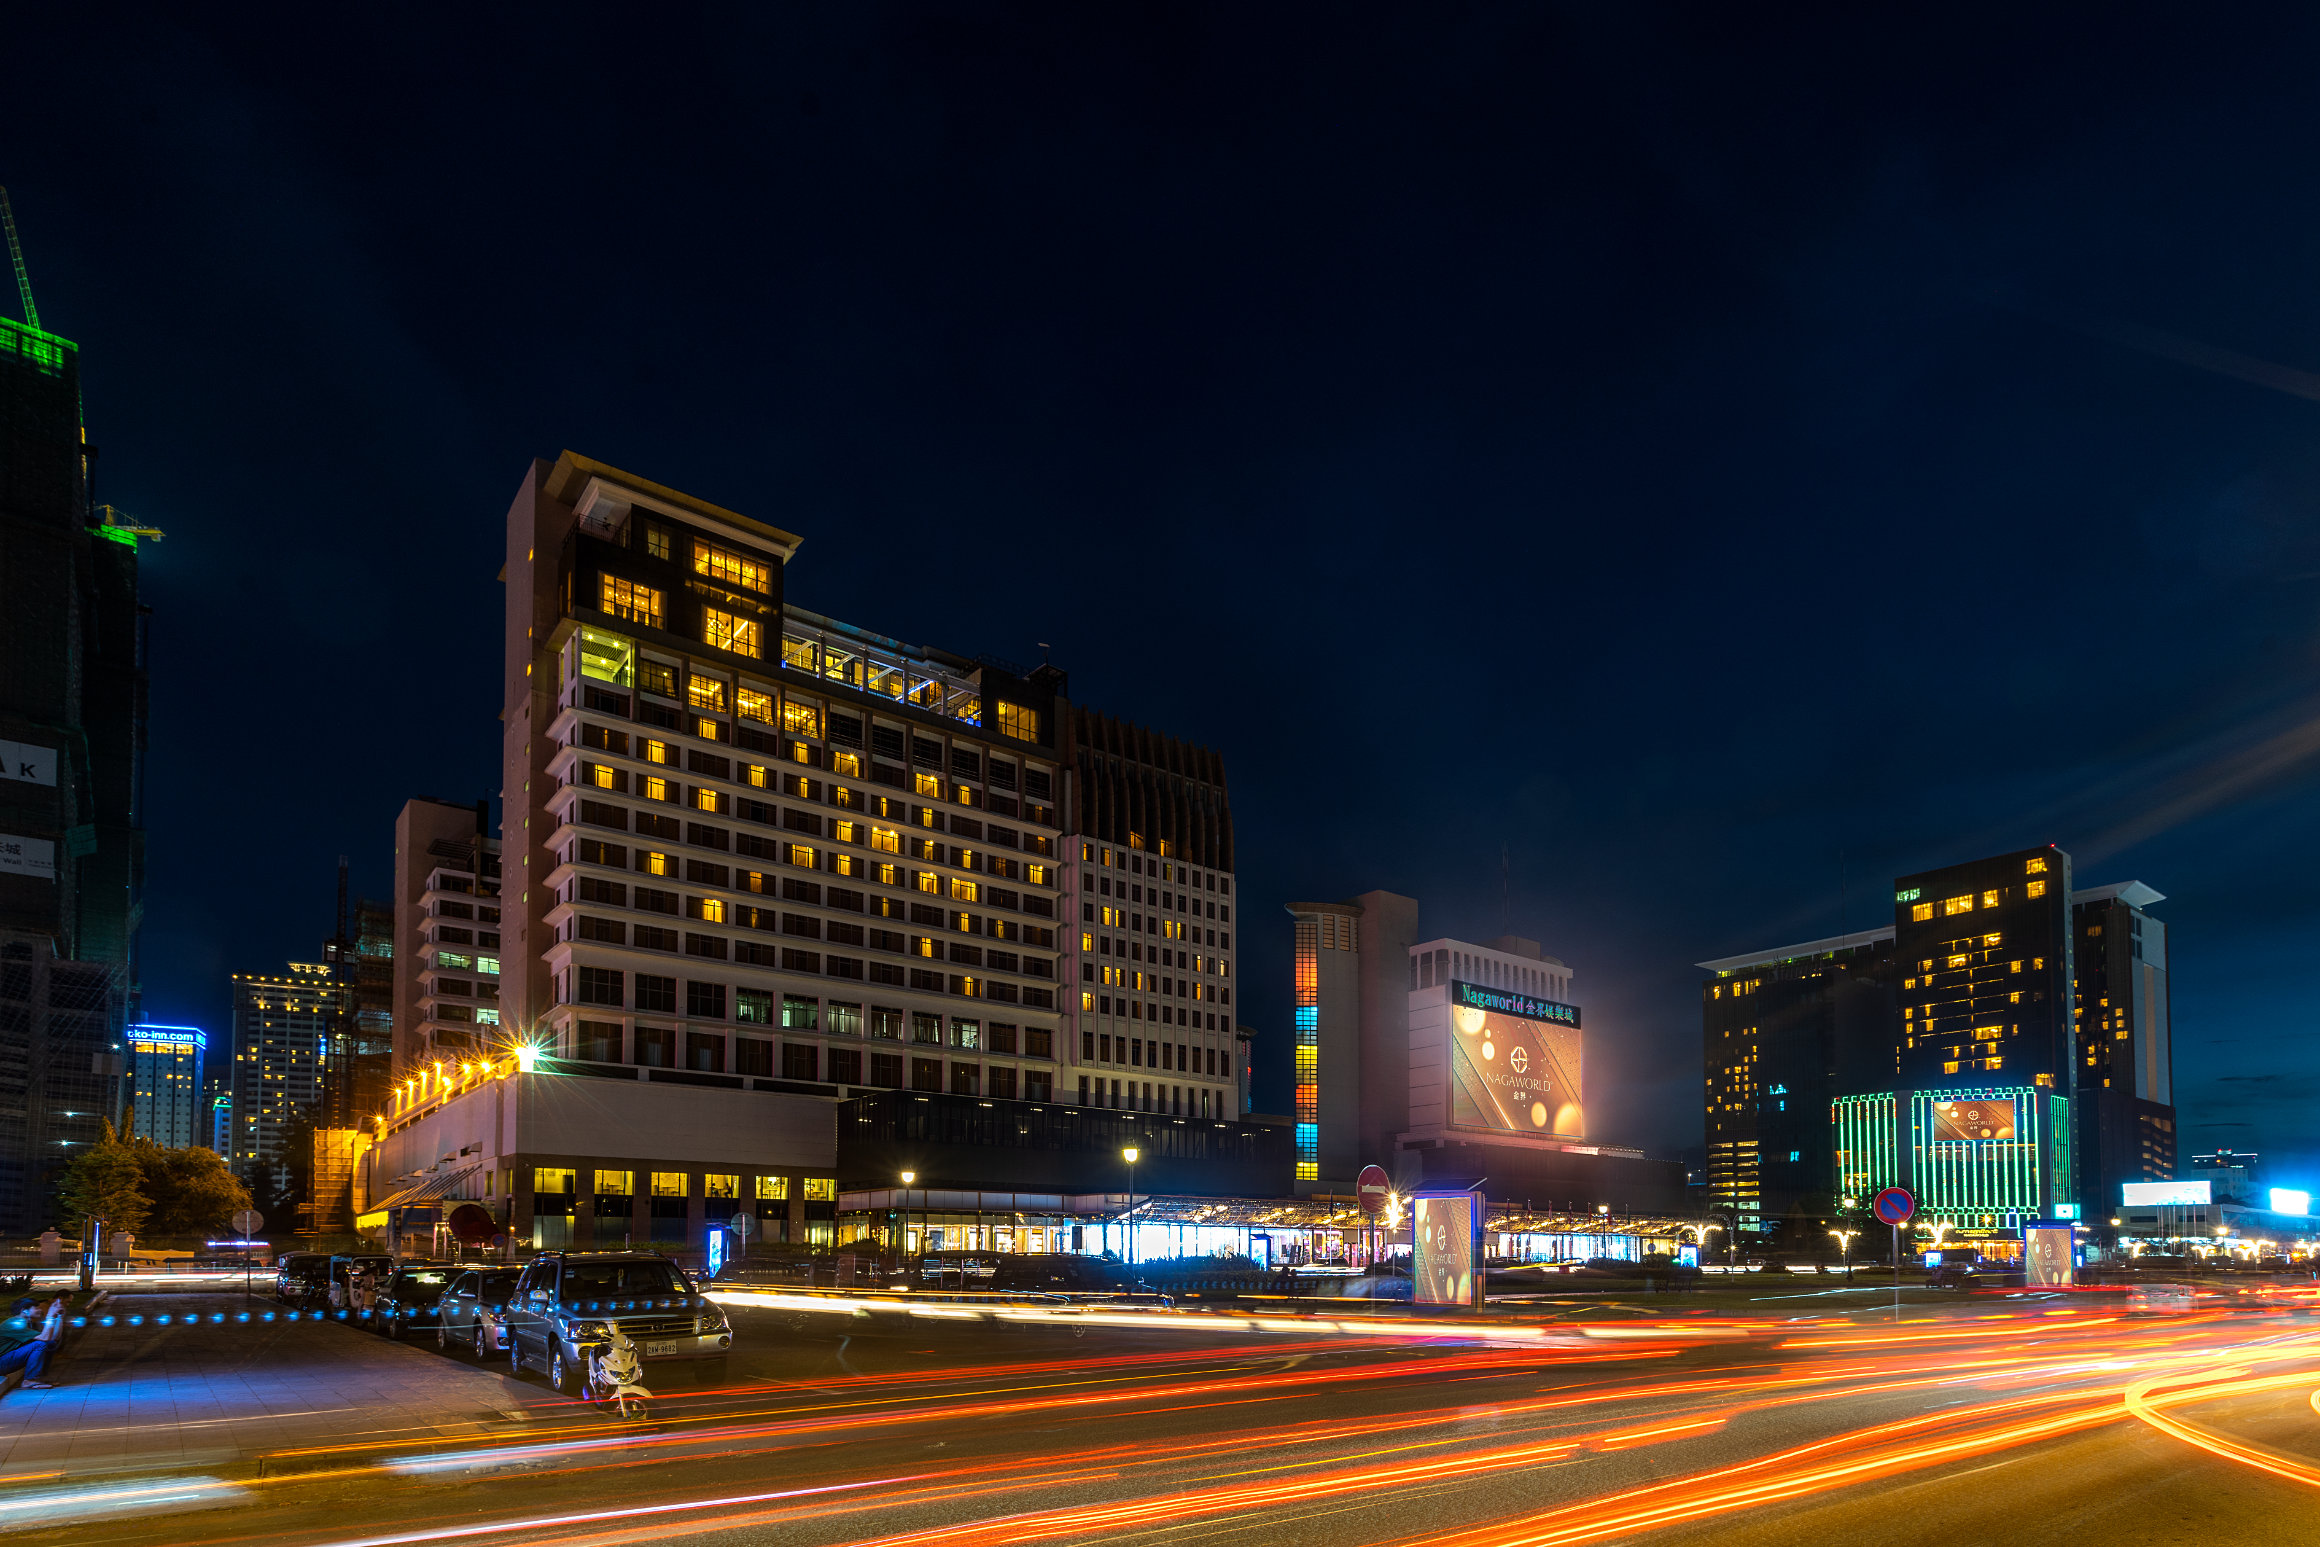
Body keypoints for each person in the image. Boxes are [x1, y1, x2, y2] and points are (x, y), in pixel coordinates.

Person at [0, 1296, 67, 1390]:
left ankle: (40, 1378)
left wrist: (58, 1317)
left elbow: (53, 1338)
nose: (40, 1310)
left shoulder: (26, 1323)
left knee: (50, 1343)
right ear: (24, 1310)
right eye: (36, 1308)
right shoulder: (14, 1324)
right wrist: (50, 1316)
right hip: (1, 1363)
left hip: (6, 1360)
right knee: (39, 1344)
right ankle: (29, 1380)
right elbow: (44, 1338)